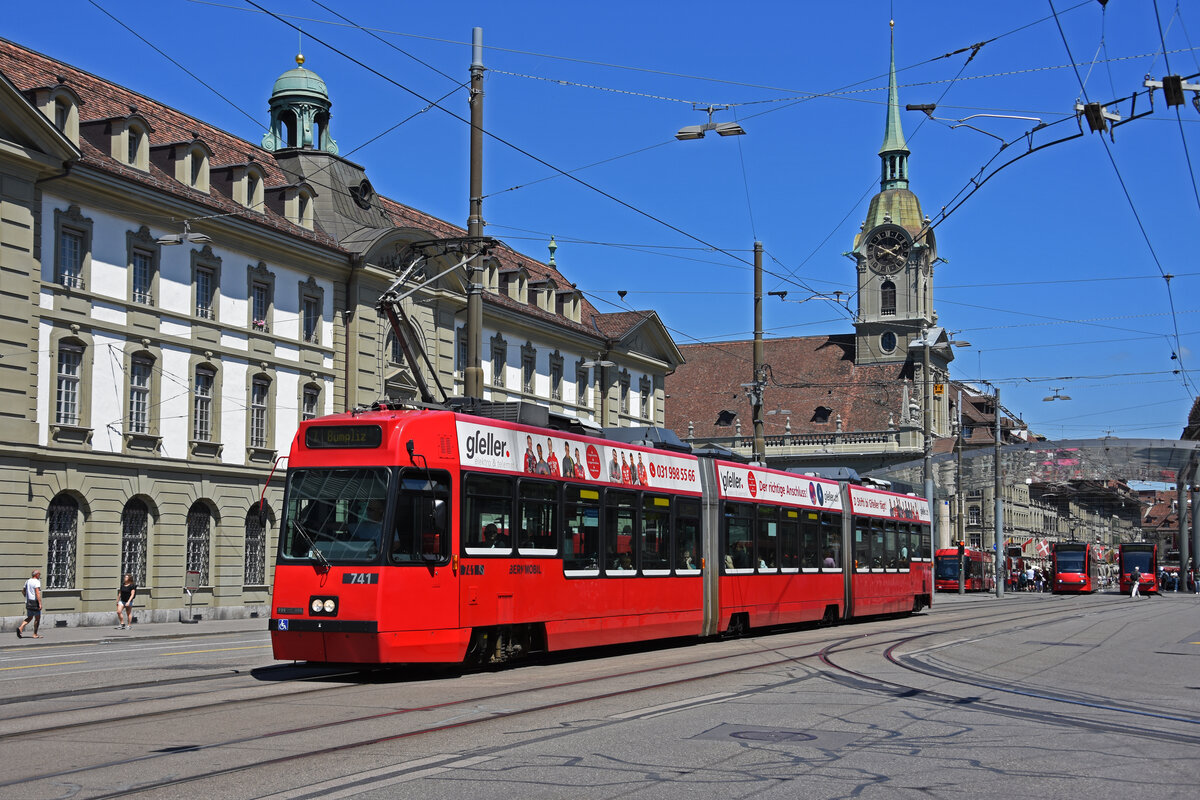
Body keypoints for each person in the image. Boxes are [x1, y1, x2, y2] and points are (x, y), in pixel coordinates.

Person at [17, 569, 42, 639]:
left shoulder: (27, 581)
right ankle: (35, 634)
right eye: (39, 574)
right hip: (35, 603)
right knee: (37, 618)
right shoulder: (37, 582)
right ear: (36, 575)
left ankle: (20, 627)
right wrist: (40, 603)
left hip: (28, 602)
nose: (39, 576)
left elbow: (23, 591)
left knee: (30, 617)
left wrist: (26, 596)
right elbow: (37, 593)